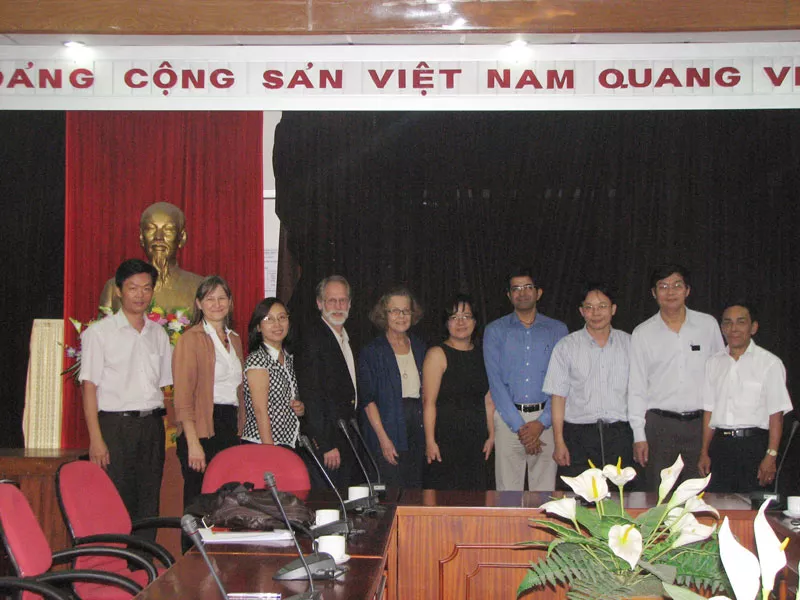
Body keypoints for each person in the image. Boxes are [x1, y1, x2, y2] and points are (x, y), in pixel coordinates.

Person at [79, 259, 172, 539]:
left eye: (146, 288)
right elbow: (89, 387)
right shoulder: (99, 333)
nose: (140, 295)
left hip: (151, 426)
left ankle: (143, 563)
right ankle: (116, 563)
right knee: (117, 502)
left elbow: (164, 385)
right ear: (119, 291)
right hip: (115, 427)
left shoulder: (158, 333)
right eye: (133, 288)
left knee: (149, 502)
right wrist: (96, 439)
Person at [628, 264, 724, 490]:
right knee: (660, 497)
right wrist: (639, 435)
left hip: (700, 426)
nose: (670, 292)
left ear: (687, 290)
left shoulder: (707, 325)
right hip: (659, 427)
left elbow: (721, 375)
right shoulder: (642, 333)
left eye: (677, 285)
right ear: (654, 293)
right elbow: (636, 388)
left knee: (699, 497)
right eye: (663, 286)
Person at [483, 267, 567, 491]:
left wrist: (541, 423)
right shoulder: (495, 331)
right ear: (509, 295)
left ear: (538, 293)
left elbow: (562, 381)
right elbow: (495, 383)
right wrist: (521, 428)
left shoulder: (558, 330)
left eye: (528, 287)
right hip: (508, 420)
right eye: (516, 289)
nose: (522, 293)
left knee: (544, 494)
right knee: (507, 496)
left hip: (547, 419)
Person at [543, 283, 633, 484]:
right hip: (579, 437)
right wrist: (559, 441)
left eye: (602, 306)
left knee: (621, 498)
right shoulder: (566, 347)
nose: (596, 313)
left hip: (621, 435)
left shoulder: (630, 344)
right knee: (580, 498)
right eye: (589, 307)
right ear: (581, 311)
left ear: (613, 309)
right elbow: (558, 398)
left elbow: (639, 394)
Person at [698, 302, 792, 493]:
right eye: (728, 323)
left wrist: (771, 455)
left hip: (754, 446)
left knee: (751, 506)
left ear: (753, 327)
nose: (734, 328)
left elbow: (776, 415)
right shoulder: (713, 363)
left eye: (741, 322)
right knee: (716, 504)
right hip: (720, 447)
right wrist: (704, 452)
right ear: (722, 328)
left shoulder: (770, 363)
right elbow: (709, 411)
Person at [173, 275, 244, 508]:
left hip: (229, 425)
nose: (217, 304)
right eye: (210, 299)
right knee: (199, 502)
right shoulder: (190, 339)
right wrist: (193, 443)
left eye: (222, 298)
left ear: (230, 302)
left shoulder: (235, 339)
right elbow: (183, 397)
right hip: (201, 426)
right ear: (199, 303)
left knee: (227, 502)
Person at [423, 294, 494, 490]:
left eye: (466, 316)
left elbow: (488, 399)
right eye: (454, 317)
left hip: (477, 441)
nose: (460, 322)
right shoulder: (437, 354)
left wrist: (491, 435)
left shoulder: (483, 354)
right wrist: (430, 441)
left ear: (475, 321)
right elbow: (428, 402)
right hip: (444, 441)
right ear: (446, 323)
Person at [295, 275, 359, 489]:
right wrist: (325, 444)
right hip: (329, 444)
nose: (338, 306)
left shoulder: (348, 338)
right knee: (328, 502)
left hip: (347, 438)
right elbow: (311, 396)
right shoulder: (312, 340)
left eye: (342, 300)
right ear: (319, 303)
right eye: (331, 300)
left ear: (350, 304)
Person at [359, 287, 427, 488]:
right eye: (395, 311)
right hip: (387, 428)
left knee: (415, 490)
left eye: (406, 311)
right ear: (384, 314)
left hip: (416, 430)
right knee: (390, 492)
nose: (401, 316)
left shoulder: (420, 347)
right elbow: (368, 400)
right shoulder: (372, 351)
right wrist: (383, 439)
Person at [99, 202, 204, 315]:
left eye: (168, 230)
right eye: (150, 229)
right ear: (141, 237)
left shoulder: (201, 287)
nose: (158, 237)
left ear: (182, 238)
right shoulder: (115, 287)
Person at [241, 298, 305, 448]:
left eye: (282, 317)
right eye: (269, 319)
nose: (277, 324)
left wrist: (300, 408)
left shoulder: (289, 358)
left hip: (288, 442)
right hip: (263, 444)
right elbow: (260, 411)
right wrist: (270, 452)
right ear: (258, 326)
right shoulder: (258, 360)